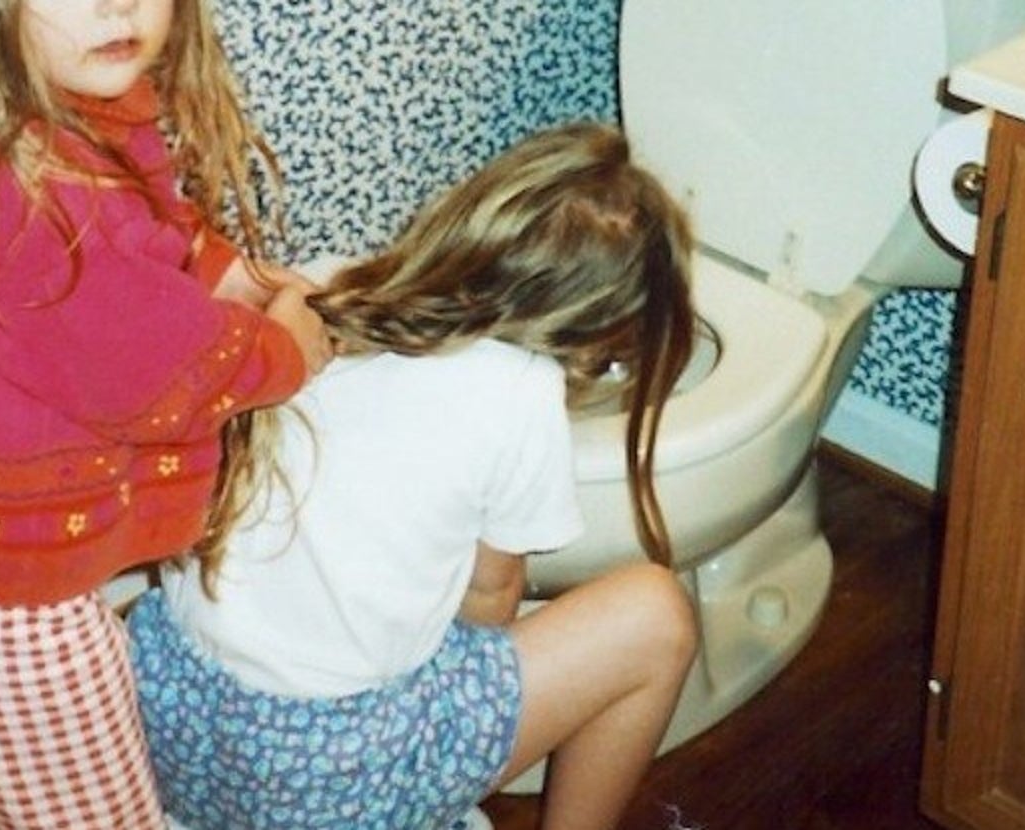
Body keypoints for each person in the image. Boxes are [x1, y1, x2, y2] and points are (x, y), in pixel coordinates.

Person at [128, 121, 700, 830]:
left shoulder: (330, 282)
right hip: (318, 778)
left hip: (170, 716)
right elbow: (489, 603)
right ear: (590, 337)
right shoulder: (520, 390)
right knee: (657, 613)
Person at [0, 0, 332, 826]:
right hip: (7, 610)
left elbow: (144, 232)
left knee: (12, 799)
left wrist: (233, 277)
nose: (118, 6)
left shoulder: (30, 114)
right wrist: (284, 351)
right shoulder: (20, 193)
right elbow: (148, 359)